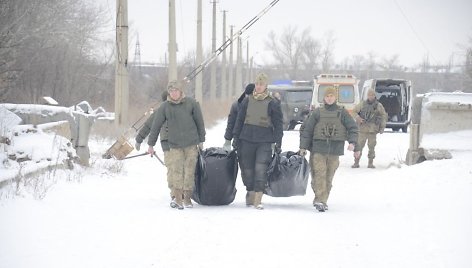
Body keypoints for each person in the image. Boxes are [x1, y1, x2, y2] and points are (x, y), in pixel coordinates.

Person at [147, 80, 206, 210]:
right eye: (171, 91)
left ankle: (188, 198)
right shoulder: (165, 107)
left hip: (191, 144)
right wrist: (151, 144)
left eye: (176, 91)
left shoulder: (192, 104)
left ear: (180, 91)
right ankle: (178, 199)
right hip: (174, 145)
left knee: (189, 171)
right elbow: (155, 126)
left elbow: (200, 122)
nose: (173, 93)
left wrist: (202, 140)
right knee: (177, 171)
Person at [298, 87, 359, 212]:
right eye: (327, 96)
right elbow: (308, 130)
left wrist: (353, 144)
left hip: (334, 150)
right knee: (319, 174)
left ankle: (322, 199)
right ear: (324, 98)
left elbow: (352, 128)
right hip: (318, 149)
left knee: (328, 177)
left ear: (335, 97)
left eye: (331, 96)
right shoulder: (317, 113)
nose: (329, 98)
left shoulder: (342, 113)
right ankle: (320, 200)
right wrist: (303, 147)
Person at [233, 73, 283, 209]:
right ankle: (250, 192)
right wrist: (235, 137)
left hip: (264, 141)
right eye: (257, 84)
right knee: (247, 170)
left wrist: (278, 142)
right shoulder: (247, 100)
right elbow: (239, 120)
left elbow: (279, 124)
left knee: (260, 169)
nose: (259, 86)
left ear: (266, 86)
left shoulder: (273, 102)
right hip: (246, 139)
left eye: (261, 84)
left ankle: (258, 198)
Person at [135, 91, 180, 207]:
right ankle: (175, 195)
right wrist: (139, 139)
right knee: (172, 167)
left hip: (181, 142)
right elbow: (149, 125)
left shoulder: (182, 108)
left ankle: (181, 192)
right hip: (168, 142)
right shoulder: (161, 110)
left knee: (177, 167)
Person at [351, 89, 387, 168]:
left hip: (372, 130)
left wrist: (382, 127)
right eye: (369, 95)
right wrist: (358, 118)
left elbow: (384, 116)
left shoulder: (378, 105)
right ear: (367, 96)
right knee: (359, 146)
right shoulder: (362, 104)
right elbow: (353, 112)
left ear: (374, 96)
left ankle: (370, 162)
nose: (370, 97)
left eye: (372, 95)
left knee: (372, 146)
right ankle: (356, 162)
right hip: (362, 129)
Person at [223, 83, 255, 151]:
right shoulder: (237, 105)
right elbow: (231, 123)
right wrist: (228, 140)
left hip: (255, 140)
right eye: (248, 95)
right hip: (239, 139)